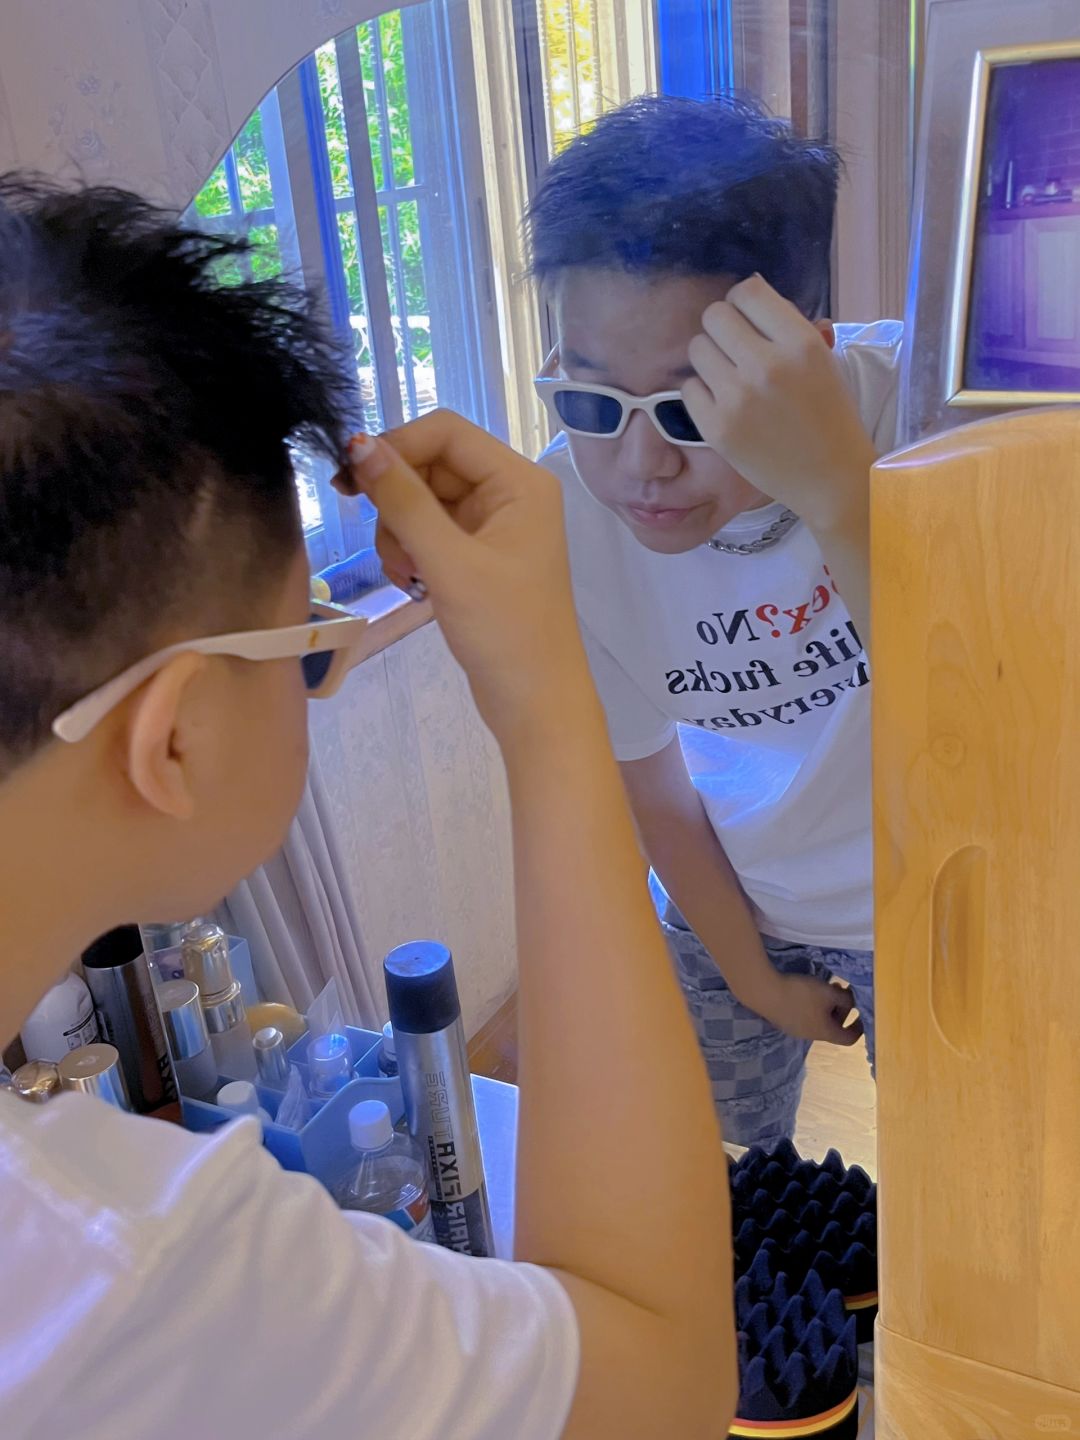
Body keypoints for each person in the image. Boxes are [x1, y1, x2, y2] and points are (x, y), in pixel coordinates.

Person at [0, 177, 735, 1439]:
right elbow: (658, 1384)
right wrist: (549, 705)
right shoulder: (120, 1271)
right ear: (174, 737)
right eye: (307, 645)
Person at [526, 94, 903, 1146]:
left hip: (928, 895)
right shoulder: (567, 518)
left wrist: (837, 491)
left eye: (690, 410)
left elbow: (980, 717)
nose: (641, 466)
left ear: (804, 358)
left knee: (957, 1180)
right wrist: (752, 975)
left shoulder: (924, 414)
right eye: (592, 404)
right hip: (724, 896)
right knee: (726, 1168)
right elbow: (652, 784)